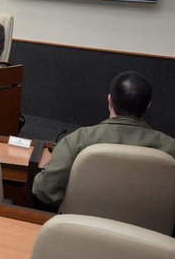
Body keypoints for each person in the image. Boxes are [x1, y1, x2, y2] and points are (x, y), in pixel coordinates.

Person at [32, 71, 175, 208]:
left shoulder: (77, 140)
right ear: (148, 104)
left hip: (81, 228)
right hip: (149, 232)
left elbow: (45, 189)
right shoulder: (171, 148)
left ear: (109, 100)